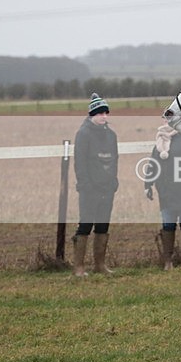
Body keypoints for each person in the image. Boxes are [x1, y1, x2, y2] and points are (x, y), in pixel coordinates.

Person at [144, 120, 181, 270]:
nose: (169, 122)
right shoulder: (161, 138)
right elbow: (153, 163)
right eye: (166, 118)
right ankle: (168, 262)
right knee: (168, 224)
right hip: (166, 190)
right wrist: (148, 184)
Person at [72, 93, 118, 276]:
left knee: (102, 226)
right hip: (89, 189)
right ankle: (79, 267)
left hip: (107, 187)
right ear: (92, 114)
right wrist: (85, 184)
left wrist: (114, 181)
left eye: (106, 113)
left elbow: (115, 159)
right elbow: (80, 162)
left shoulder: (111, 135)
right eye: (100, 113)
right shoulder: (83, 134)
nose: (104, 117)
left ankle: (100, 265)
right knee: (85, 225)